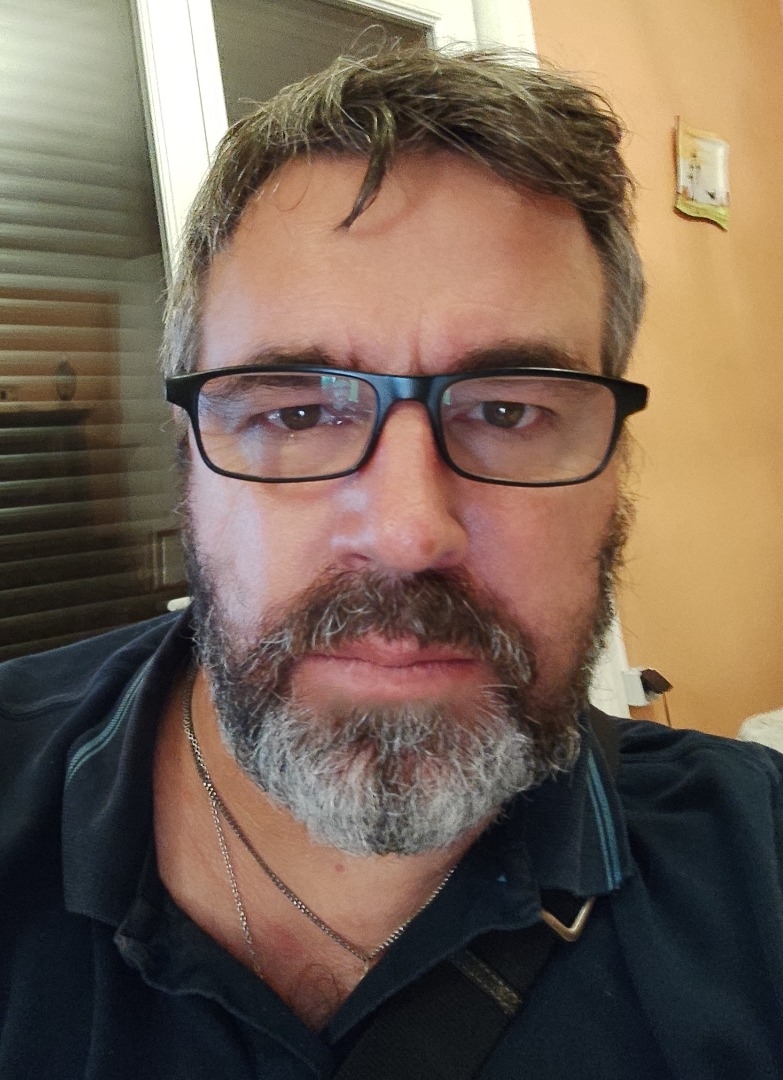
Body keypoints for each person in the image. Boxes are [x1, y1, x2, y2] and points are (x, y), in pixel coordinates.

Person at [1, 44, 781, 1080]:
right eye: (296, 412)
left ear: (614, 469)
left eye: (508, 411)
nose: (410, 534)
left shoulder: (757, 867)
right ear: (189, 459)